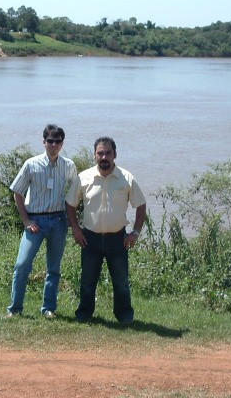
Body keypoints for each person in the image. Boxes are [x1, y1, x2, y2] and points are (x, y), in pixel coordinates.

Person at [65, 136, 146, 324]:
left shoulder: (126, 178)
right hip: (89, 238)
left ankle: (124, 315)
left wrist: (135, 233)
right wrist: (76, 229)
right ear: (95, 155)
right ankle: (84, 314)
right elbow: (70, 204)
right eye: (100, 153)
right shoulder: (83, 178)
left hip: (117, 239)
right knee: (87, 281)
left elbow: (140, 205)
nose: (104, 157)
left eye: (108, 153)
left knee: (121, 282)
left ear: (115, 155)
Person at [6, 124, 78, 319]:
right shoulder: (31, 164)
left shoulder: (69, 166)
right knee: (22, 264)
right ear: (43, 142)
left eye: (58, 141)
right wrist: (26, 220)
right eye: (50, 141)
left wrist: (73, 220)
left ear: (62, 143)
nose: (54, 145)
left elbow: (75, 192)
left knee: (53, 268)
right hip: (35, 221)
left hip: (58, 220)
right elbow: (17, 192)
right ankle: (15, 309)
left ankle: (48, 309)